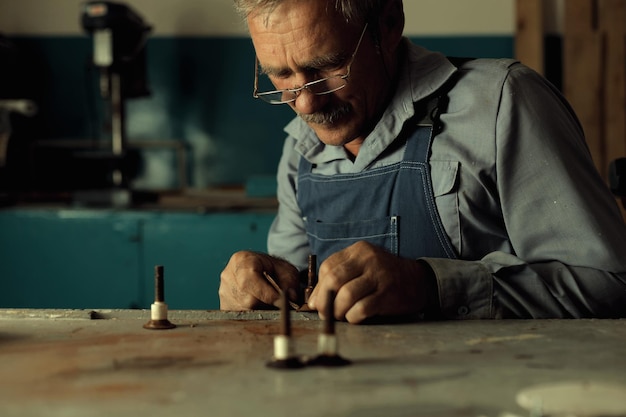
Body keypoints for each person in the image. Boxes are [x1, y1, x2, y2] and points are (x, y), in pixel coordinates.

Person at [219, 0, 626, 323]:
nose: (306, 102)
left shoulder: (501, 103)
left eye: (326, 66)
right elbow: (297, 298)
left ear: (389, 24)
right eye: (281, 76)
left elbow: (610, 284)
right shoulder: (300, 148)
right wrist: (259, 287)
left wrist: (431, 286)